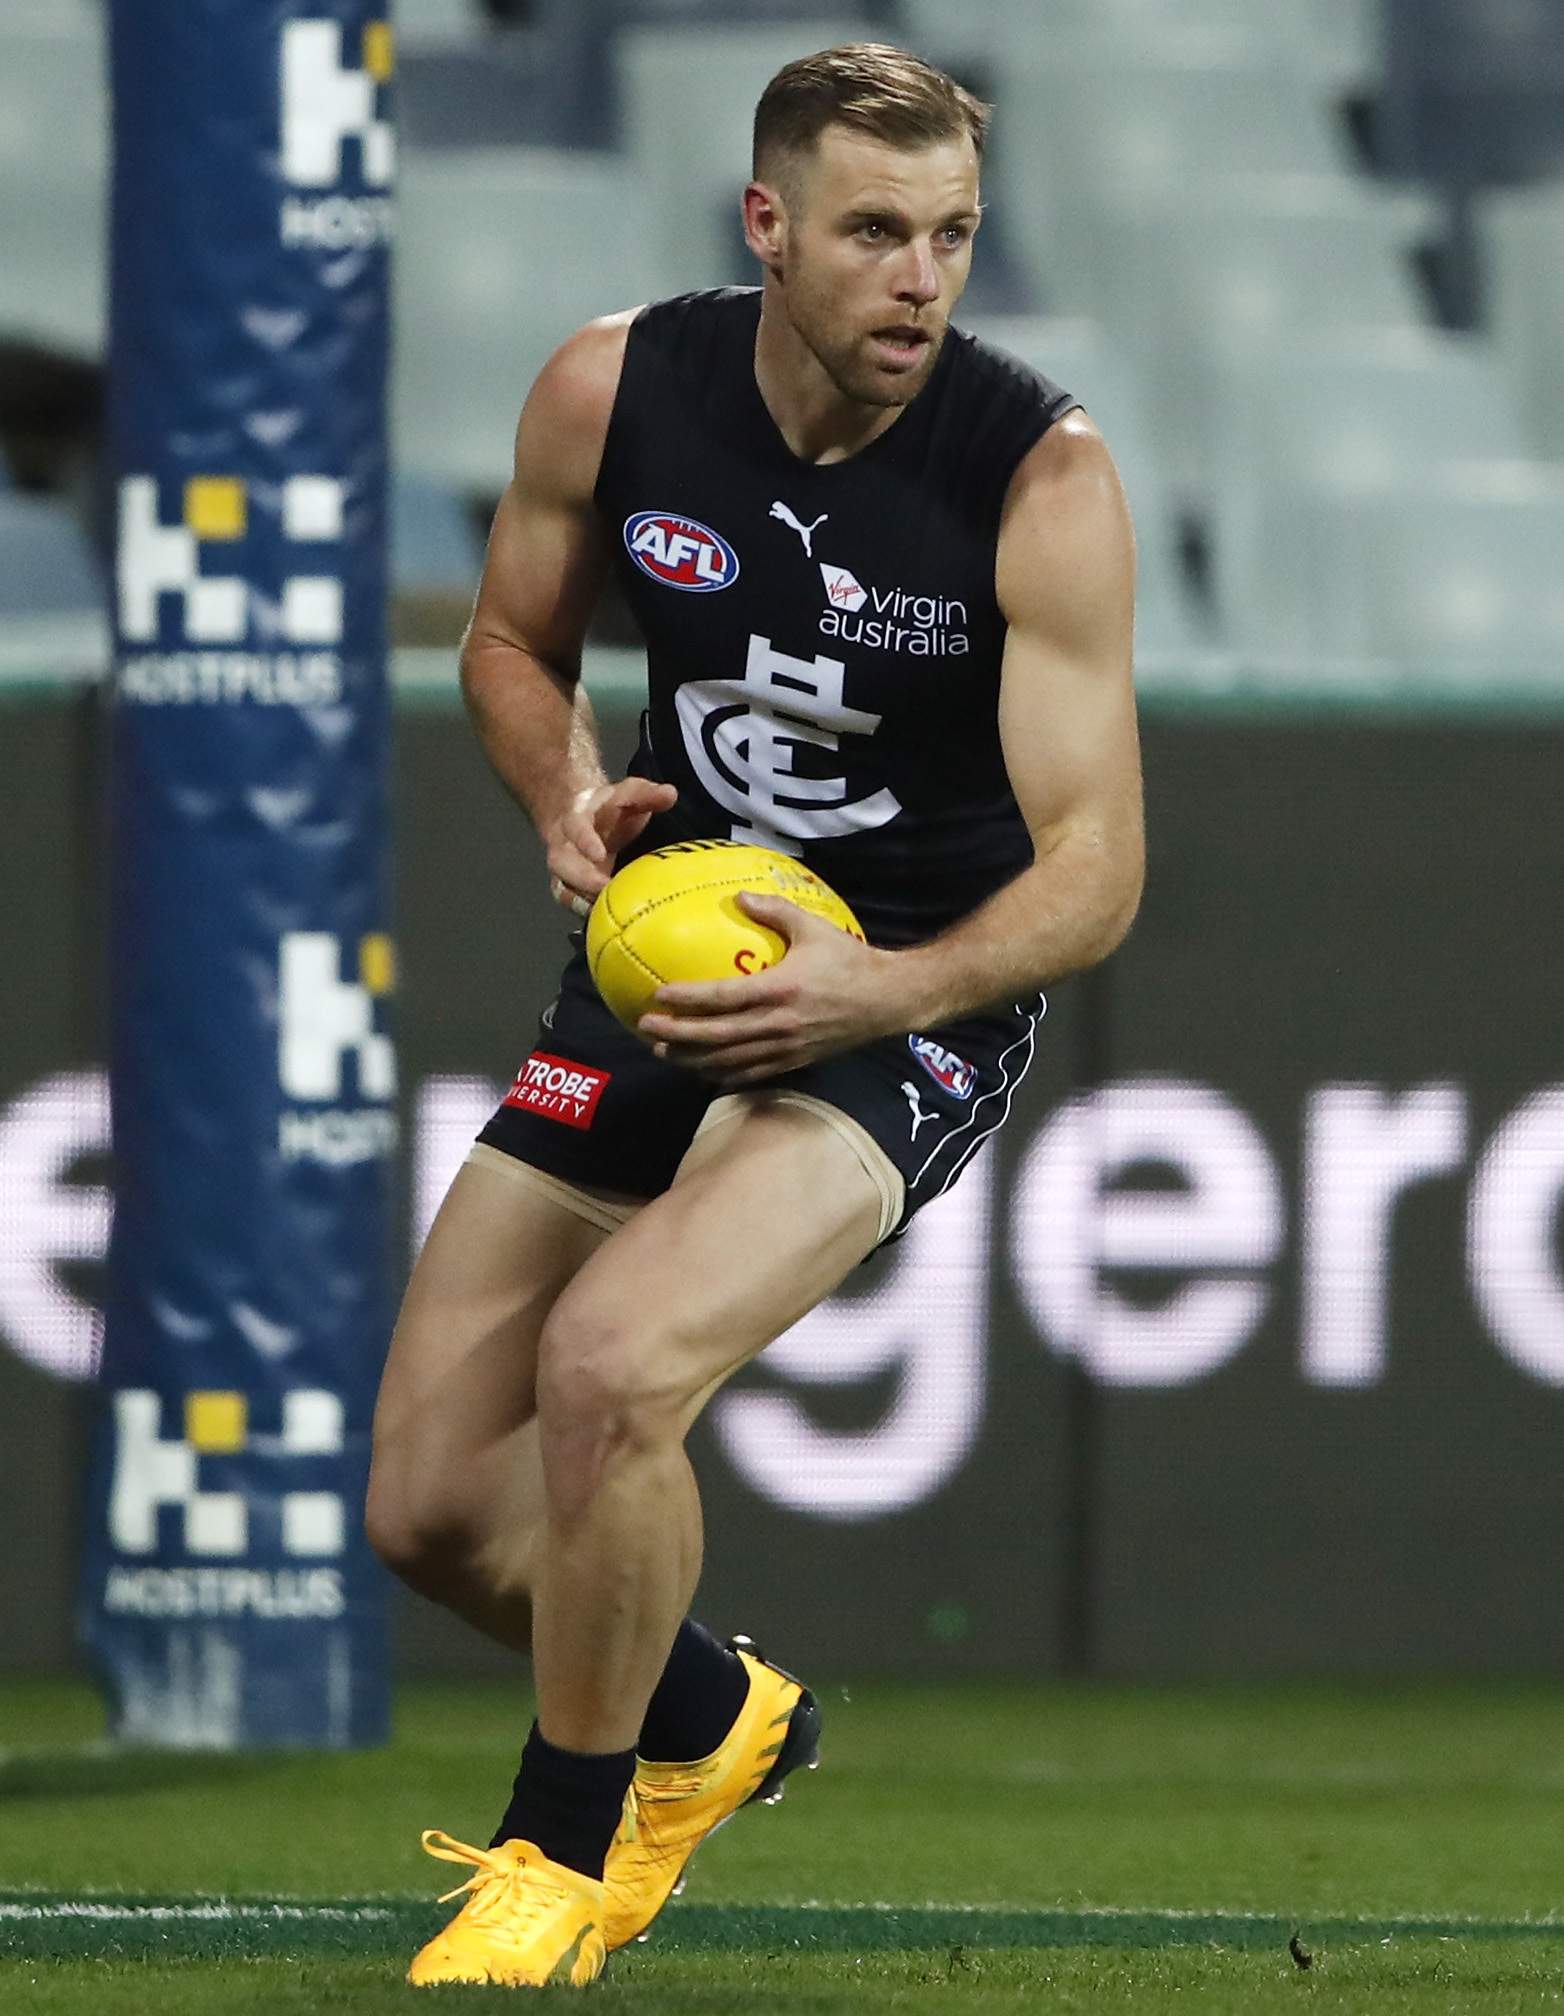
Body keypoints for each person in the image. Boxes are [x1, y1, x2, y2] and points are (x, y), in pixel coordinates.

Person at [366, 40, 1144, 1989]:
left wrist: (886, 985)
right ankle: (715, 1717)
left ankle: (559, 1856)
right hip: (671, 954)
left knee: (612, 1368)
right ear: (766, 224)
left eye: (952, 235)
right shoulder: (613, 389)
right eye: (876, 231)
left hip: (901, 995)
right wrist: (559, 796)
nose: (920, 279)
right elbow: (509, 641)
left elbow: (1097, 869)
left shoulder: (1036, 479)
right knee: (429, 1511)